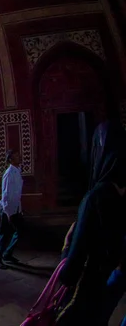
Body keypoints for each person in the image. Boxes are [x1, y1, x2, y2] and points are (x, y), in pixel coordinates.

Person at [56, 121, 126, 326]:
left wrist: (66, 248)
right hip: (110, 280)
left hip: (86, 288)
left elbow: (70, 272)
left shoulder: (95, 198)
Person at [0, 150, 24, 270]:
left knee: (20, 230)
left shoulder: (18, 170)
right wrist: (7, 212)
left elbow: (17, 193)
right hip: (7, 209)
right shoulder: (9, 173)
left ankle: (7, 254)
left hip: (15, 208)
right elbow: (5, 194)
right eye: (16, 156)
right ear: (10, 159)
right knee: (4, 233)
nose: (19, 157)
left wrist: (19, 209)